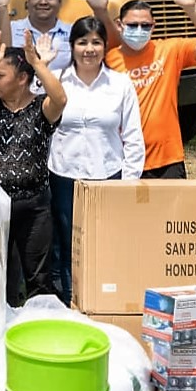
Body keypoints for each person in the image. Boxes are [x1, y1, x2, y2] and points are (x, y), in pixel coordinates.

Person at [87, 0, 196, 179]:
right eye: (133, 25)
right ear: (120, 26)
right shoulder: (110, 58)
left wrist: (191, 8)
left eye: (145, 25)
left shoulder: (169, 50)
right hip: (124, 159)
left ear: (153, 27)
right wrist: (100, 12)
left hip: (167, 160)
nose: (139, 30)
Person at [0, 30, 68, 305]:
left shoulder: (39, 107)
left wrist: (38, 64)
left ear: (22, 78)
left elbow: (60, 100)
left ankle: (38, 326)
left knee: (38, 277)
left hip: (34, 205)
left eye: (0, 75)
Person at [47, 16, 145, 302]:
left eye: (96, 43)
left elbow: (133, 135)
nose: (89, 49)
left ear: (105, 47)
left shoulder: (119, 84)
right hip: (65, 175)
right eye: (82, 42)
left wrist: (129, 181)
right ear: (72, 46)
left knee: (104, 242)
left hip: (108, 175)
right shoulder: (58, 81)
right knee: (66, 243)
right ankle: (69, 300)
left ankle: (103, 300)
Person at [0, 0, 72, 75]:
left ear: (59, 2)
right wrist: (2, 7)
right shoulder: (9, 29)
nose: (43, 2)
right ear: (28, 1)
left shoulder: (72, 31)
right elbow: (2, 58)